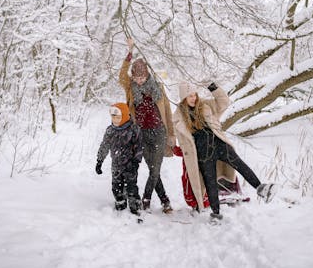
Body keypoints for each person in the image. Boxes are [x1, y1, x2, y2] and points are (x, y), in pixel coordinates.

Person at [172, 81, 275, 221]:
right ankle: (215, 214)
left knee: (239, 163)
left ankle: (261, 188)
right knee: (210, 183)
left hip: (218, 144)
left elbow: (224, 102)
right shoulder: (178, 117)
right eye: (190, 96)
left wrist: (213, 87)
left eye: (194, 95)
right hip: (202, 153)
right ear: (183, 97)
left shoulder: (205, 105)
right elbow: (183, 142)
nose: (193, 98)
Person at [119, 37, 175, 213]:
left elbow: (167, 111)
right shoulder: (130, 87)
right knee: (153, 169)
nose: (140, 80)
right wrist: (129, 52)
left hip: (159, 132)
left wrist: (171, 134)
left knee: (155, 168)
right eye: (136, 77)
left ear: (147, 75)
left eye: (142, 77)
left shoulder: (157, 86)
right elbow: (122, 75)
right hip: (141, 133)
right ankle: (165, 200)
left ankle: (146, 199)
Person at [96, 103, 143, 215]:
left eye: (118, 117)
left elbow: (139, 147)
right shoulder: (110, 130)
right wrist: (99, 161)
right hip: (116, 164)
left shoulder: (133, 129)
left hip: (130, 164)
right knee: (116, 186)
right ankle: (120, 202)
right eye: (113, 117)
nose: (115, 120)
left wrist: (136, 161)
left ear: (125, 115)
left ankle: (134, 204)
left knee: (131, 186)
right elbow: (104, 146)